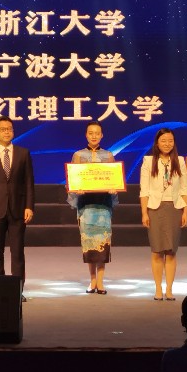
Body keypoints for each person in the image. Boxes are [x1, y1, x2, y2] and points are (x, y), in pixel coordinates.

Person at [0, 115, 35, 294]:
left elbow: (29, 182)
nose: (6, 132)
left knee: (17, 252)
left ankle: (17, 291)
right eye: (3, 129)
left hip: (18, 209)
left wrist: (29, 206)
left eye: (9, 129)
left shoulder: (23, 153)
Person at [67, 120, 117, 295]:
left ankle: (101, 281)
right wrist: (76, 189)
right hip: (86, 206)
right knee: (89, 244)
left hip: (103, 206)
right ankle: (92, 280)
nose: (94, 136)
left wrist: (113, 188)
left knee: (103, 243)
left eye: (97, 133)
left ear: (102, 135)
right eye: (91, 133)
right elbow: (72, 180)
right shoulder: (78, 155)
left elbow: (114, 179)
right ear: (86, 135)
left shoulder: (108, 155)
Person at [140, 127, 187, 301]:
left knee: (171, 251)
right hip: (155, 208)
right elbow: (144, 190)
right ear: (157, 143)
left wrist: (185, 211)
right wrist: (144, 213)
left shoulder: (180, 161)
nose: (167, 144)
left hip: (174, 208)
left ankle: (169, 289)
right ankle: (158, 288)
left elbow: (184, 189)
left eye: (170, 141)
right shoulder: (148, 161)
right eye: (163, 141)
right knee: (157, 251)